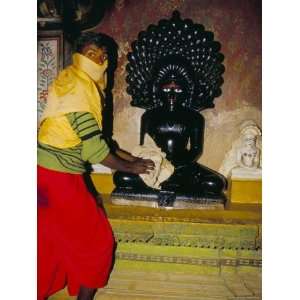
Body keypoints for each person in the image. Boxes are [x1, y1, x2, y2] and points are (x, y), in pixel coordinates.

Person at [37, 32, 154, 300]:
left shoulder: (70, 78)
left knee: (48, 244)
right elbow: (93, 149)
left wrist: (132, 160)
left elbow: (97, 142)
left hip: (44, 175)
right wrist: (130, 169)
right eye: (92, 54)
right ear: (79, 55)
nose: (99, 60)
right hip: (59, 178)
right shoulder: (81, 86)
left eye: (104, 57)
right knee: (97, 243)